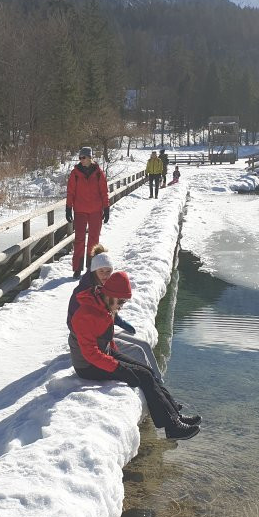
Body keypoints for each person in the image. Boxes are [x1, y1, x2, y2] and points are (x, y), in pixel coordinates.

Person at [69, 272, 200, 440]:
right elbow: (90, 354)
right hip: (87, 366)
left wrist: (117, 356)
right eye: (121, 301)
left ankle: (174, 413)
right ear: (110, 295)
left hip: (103, 352)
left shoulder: (104, 304)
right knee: (144, 376)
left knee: (147, 370)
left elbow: (105, 336)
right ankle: (172, 427)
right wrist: (119, 368)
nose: (122, 306)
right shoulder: (84, 314)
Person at [67, 246, 163, 381]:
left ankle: (157, 382)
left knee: (143, 346)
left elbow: (107, 309)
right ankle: (154, 382)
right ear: (94, 271)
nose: (106, 275)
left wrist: (118, 321)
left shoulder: (106, 287)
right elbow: (78, 323)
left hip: (104, 333)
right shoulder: (83, 292)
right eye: (101, 271)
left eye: (109, 271)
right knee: (138, 350)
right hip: (92, 340)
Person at [66, 146, 110, 279]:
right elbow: (70, 192)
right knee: (79, 240)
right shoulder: (75, 173)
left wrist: (106, 208)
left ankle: (91, 268)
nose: (81, 160)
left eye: (83, 157)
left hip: (96, 211)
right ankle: (77, 268)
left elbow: (104, 192)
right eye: (80, 158)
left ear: (90, 157)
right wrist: (68, 208)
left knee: (94, 240)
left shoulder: (98, 173)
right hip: (80, 210)